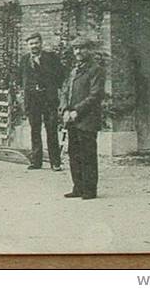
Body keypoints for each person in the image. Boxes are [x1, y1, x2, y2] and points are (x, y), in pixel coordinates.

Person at [61, 36, 105, 200]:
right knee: (74, 154)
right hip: (72, 120)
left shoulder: (96, 70)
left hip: (87, 120)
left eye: (82, 48)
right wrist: (65, 109)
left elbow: (95, 95)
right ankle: (78, 187)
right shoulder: (74, 70)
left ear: (89, 50)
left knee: (88, 155)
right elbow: (66, 92)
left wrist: (77, 111)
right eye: (76, 49)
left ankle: (89, 189)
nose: (78, 52)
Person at [21, 32, 66, 171]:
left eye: (36, 43)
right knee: (35, 130)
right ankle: (36, 161)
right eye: (31, 44)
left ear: (41, 43)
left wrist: (52, 89)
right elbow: (20, 78)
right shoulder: (24, 60)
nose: (34, 46)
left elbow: (61, 75)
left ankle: (55, 162)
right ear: (28, 46)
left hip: (48, 100)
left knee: (51, 129)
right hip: (32, 100)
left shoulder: (51, 58)